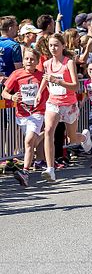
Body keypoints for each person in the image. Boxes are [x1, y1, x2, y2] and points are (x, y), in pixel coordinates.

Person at [38, 33, 92, 182]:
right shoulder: (47, 63)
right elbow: (46, 77)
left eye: (56, 45)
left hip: (69, 104)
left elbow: (75, 86)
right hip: (53, 102)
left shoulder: (68, 63)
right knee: (49, 131)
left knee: (72, 137)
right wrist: (39, 92)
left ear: (63, 46)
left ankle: (84, 137)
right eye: (50, 45)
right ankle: (50, 169)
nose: (53, 48)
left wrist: (57, 81)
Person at [2, 48, 47, 186]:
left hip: (37, 112)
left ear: (37, 61)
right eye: (26, 59)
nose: (29, 61)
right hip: (21, 114)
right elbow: (4, 92)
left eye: (32, 59)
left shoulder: (42, 76)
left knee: (28, 142)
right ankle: (46, 133)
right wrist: (12, 96)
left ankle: (25, 172)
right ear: (23, 60)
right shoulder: (16, 74)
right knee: (31, 143)